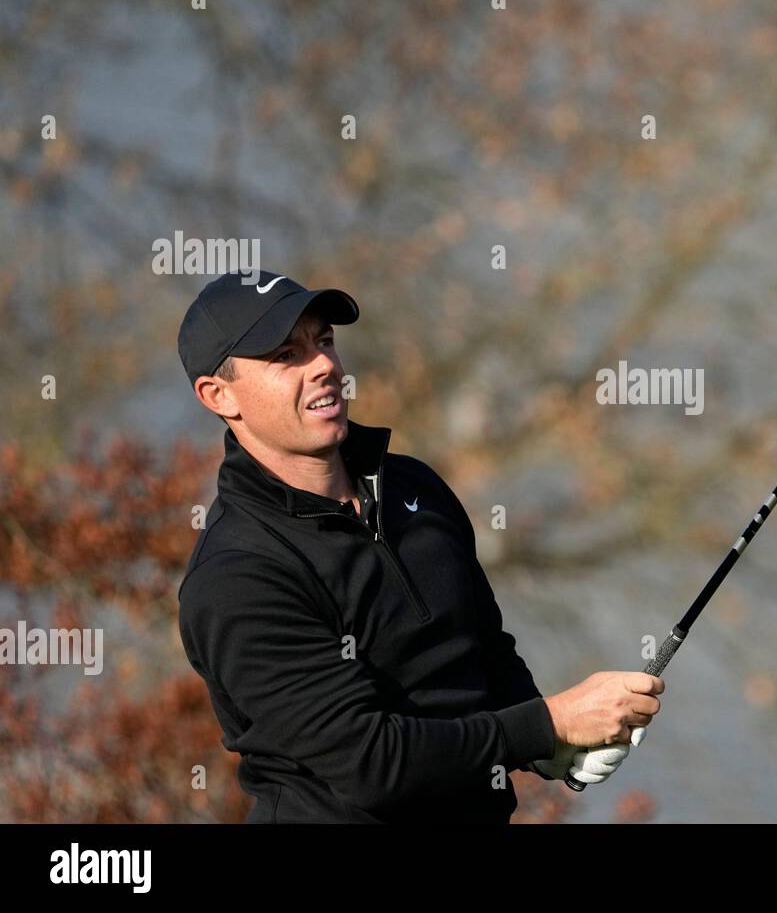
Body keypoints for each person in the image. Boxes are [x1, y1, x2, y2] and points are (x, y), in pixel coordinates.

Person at [174, 270, 664, 822]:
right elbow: (372, 764)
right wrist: (550, 723)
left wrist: (552, 751)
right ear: (218, 396)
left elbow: (483, 650)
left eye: (325, 341)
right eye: (286, 355)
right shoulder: (238, 576)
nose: (324, 366)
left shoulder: (415, 487)